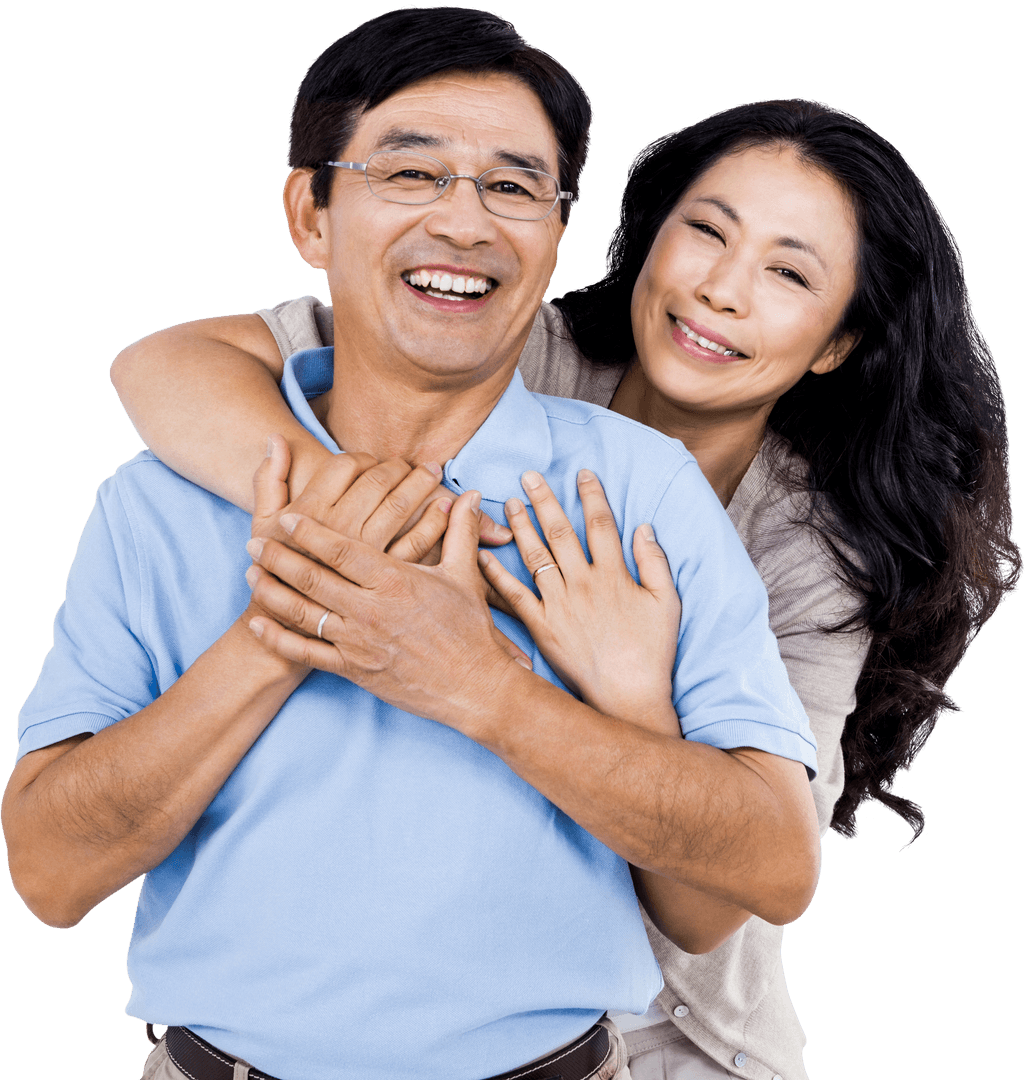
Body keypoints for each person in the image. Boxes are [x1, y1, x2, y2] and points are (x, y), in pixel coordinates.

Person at [110, 96, 1021, 1080]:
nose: (719, 288)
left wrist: (624, 689)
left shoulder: (806, 550)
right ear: (645, 238)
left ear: (837, 341)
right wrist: (360, 511)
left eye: (787, 273)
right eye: (704, 232)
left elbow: (714, 901)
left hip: (673, 1034)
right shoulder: (502, 346)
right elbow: (167, 366)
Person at [3, 10, 824, 1080]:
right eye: (411, 173)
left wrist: (476, 684)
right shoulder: (155, 499)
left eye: (513, 187)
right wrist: (289, 622)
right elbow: (50, 876)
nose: (465, 221)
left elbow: (772, 864)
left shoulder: (636, 490)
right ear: (311, 212)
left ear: (553, 233)